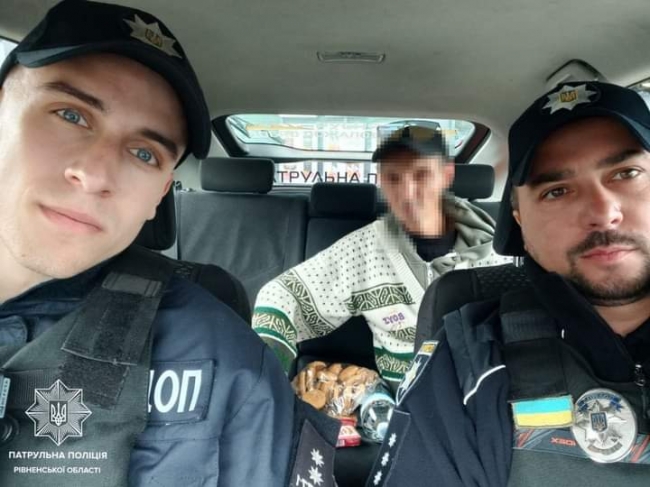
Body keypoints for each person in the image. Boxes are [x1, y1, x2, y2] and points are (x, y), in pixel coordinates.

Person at [0, 1, 339, 486]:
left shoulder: (225, 363)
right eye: (70, 115)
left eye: (144, 153)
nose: (96, 175)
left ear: (160, 193)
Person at [368, 81, 650, 486]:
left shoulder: (476, 249)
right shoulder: (467, 362)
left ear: (446, 176)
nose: (604, 212)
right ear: (521, 224)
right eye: (557, 191)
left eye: (627, 173)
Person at [252, 125, 510, 389]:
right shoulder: (363, 249)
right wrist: (265, 384)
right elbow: (281, 296)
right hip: (402, 399)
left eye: (421, 174)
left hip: (485, 393)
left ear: (447, 174)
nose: (407, 192)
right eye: (393, 178)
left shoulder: (502, 253)